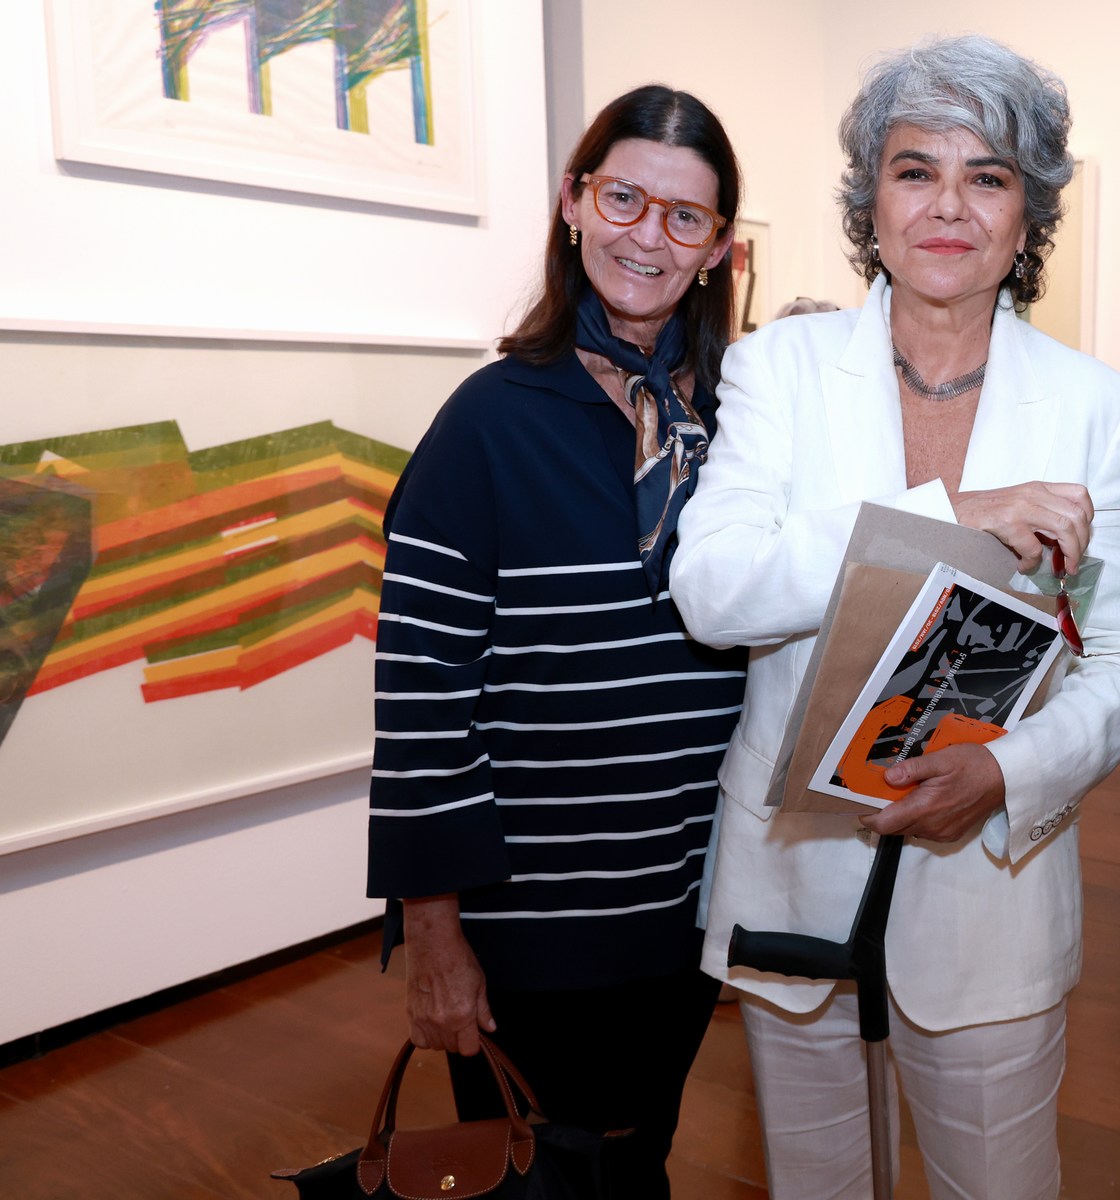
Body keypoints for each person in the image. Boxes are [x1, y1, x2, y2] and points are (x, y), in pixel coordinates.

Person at [670, 35, 1120, 1199]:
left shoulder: (1096, 407)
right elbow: (715, 589)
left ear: (1029, 214)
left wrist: (1009, 771)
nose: (948, 205)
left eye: (987, 176)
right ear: (870, 198)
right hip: (793, 879)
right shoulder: (777, 371)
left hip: (991, 882)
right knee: (817, 1185)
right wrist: (951, 511)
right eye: (914, 169)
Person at [365, 85, 746, 1199]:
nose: (649, 234)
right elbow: (422, 694)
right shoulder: (485, 423)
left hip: (686, 902)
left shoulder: (742, 422)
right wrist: (433, 934)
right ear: (575, 204)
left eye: (686, 216)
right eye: (625, 196)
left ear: (719, 247)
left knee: (640, 1167)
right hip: (530, 927)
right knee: (535, 1182)